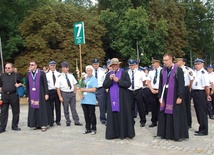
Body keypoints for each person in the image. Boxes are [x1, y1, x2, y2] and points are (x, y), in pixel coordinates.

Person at [157, 53, 189, 141]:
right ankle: (166, 134)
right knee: (165, 114)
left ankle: (177, 134)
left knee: (176, 115)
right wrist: (160, 96)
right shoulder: (162, 71)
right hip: (165, 94)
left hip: (175, 95)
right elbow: (160, 84)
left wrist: (180, 96)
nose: (165, 62)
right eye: (164, 60)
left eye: (167, 60)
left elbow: (181, 84)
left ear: (171, 60)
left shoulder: (178, 70)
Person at [103, 58, 135, 139]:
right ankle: (113, 133)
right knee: (113, 115)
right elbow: (105, 85)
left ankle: (124, 133)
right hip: (112, 98)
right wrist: (110, 80)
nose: (114, 66)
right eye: (112, 65)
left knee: (123, 114)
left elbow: (128, 84)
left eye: (115, 65)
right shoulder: (109, 74)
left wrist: (119, 81)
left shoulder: (124, 73)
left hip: (122, 98)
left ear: (118, 65)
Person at [55, 62, 82, 127]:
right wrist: (60, 97)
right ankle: (68, 121)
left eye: (67, 67)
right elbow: (57, 88)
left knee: (73, 108)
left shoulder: (71, 75)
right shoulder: (59, 77)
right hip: (64, 93)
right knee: (66, 108)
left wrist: (74, 90)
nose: (67, 69)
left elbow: (74, 83)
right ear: (62, 68)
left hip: (71, 93)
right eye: (66, 68)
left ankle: (76, 121)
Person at [26, 61, 50, 132]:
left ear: (36, 66)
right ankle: (35, 124)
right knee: (33, 109)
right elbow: (27, 85)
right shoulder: (28, 74)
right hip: (31, 94)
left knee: (41, 109)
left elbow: (45, 83)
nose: (31, 66)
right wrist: (27, 95)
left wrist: (46, 93)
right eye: (30, 65)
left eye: (32, 65)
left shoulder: (41, 73)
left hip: (40, 93)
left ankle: (43, 124)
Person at [0, 63, 22, 133]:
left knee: (16, 111)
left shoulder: (16, 75)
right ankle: (2, 127)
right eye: (6, 68)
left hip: (13, 95)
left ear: (12, 68)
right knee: (3, 112)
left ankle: (15, 126)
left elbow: (21, 82)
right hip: (5, 95)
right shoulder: (2, 76)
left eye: (9, 68)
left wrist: (18, 84)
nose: (7, 69)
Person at [192, 58, 211, 136]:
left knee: (202, 112)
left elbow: (206, 86)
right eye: (195, 64)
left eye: (198, 64)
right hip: (196, 93)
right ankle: (201, 128)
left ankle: (204, 130)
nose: (196, 66)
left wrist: (208, 95)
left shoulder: (203, 73)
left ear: (202, 64)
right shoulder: (197, 72)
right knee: (198, 111)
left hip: (201, 93)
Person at [175, 57, 195, 128]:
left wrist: (189, 88)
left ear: (183, 62)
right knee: (178, 106)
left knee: (186, 106)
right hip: (177, 89)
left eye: (178, 61)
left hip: (185, 88)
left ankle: (188, 123)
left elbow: (192, 79)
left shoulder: (187, 69)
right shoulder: (175, 69)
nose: (176, 62)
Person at [127, 59, 147, 127]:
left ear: (135, 65)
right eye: (130, 65)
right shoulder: (127, 72)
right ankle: (131, 120)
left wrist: (141, 87)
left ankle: (143, 120)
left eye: (132, 65)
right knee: (130, 107)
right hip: (130, 91)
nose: (131, 66)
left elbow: (144, 81)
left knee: (140, 106)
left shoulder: (140, 72)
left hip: (138, 90)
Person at [80, 65, 98, 135]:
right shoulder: (84, 78)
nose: (89, 72)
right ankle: (88, 128)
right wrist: (80, 94)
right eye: (88, 70)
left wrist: (84, 89)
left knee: (92, 114)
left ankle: (94, 128)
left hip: (91, 100)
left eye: (90, 71)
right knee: (86, 115)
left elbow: (94, 89)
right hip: (84, 99)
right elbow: (80, 86)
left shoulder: (94, 79)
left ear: (92, 71)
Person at [147, 58, 162, 127]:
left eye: (154, 63)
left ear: (158, 63)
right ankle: (154, 121)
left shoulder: (162, 71)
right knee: (153, 106)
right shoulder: (151, 72)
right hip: (152, 90)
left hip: (160, 90)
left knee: (161, 106)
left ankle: (161, 120)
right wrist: (151, 89)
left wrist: (159, 90)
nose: (153, 64)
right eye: (152, 63)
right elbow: (148, 82)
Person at [46, 60, 61, 126]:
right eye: (51, 65)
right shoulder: (46, 74)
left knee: (58, 106)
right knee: (50, 107)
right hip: (50, 91)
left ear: (55, 66)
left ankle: (58, 120)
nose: (52, 66)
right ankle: (51, 120)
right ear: (49, 66)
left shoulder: (59, 74)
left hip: (57, 91)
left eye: (53, 65)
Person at [92, 59, 107, 124]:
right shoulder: (89, 71)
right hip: (92, 89)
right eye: (95, 64)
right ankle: (92, 118)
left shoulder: (103, 71)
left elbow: (105, 80)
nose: (96, 65)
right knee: (91, 105)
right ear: (92, 64)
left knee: (102, 105)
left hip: (100, 89)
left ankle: (103, 118)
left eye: (97, 64)